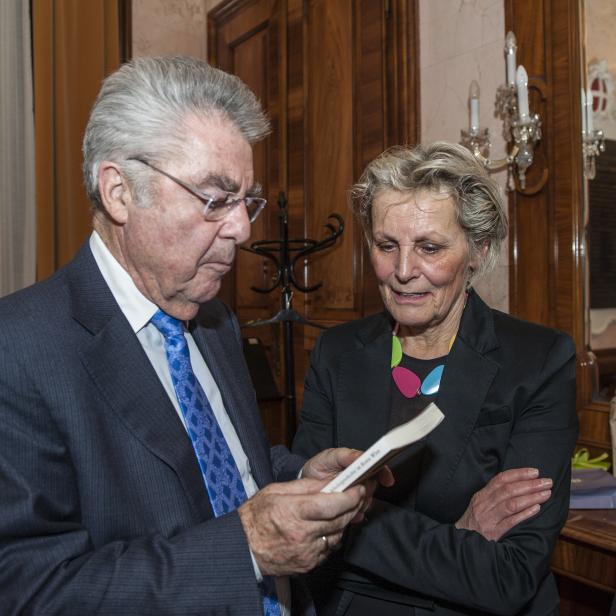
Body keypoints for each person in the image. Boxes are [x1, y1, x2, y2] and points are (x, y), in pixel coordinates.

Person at [0, 56, 378, 616]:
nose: (244, 230)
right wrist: (246, 548)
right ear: (119, 192)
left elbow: (218, 461)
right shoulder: (19, 349)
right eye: (214, 199)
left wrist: (299, 475)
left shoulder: (215, 319)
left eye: (243, 200)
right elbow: (34, 592)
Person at [292, 142, 578, 615]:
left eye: (429, 247)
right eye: (387, 246)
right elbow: (304, 531)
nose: (404, 272)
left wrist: (351, 519)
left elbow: (508, 576)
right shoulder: (336, 351)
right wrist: (457, 536)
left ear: (477, 251)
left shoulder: (539, 360)